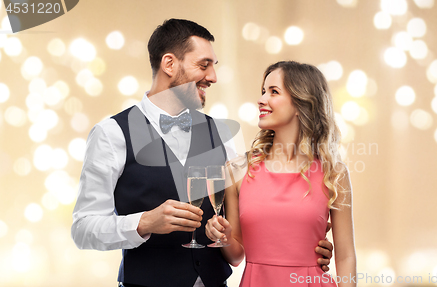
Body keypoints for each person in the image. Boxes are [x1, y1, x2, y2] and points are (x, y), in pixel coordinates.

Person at [71, 19, 333, 287]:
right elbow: (82, 229)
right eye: (203, 65)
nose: (213, 77)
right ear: (169, 64)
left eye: (213, 66)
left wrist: (308, 248)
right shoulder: (111, 133)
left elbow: (248, 222)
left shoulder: (221, 131)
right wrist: (145, 222)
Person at [206, 61, 357, 287]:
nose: (261, 99)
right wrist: (223, 237)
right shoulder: (237, 170)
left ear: (301, 102)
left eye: (273, 92)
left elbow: (345, 256)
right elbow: (236, 256)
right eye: (263, 91)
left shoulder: (333, 172)